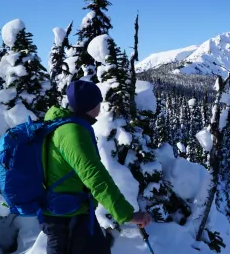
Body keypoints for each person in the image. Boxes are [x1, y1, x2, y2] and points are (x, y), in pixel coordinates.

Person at [41, 80, 151, 254]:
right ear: (90, 105)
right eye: (98, 102)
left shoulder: (60, 124)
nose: (100, 107)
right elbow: (96, 178)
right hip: (68, 216)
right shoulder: (72, 133)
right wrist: (127, 215)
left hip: (62, 211)